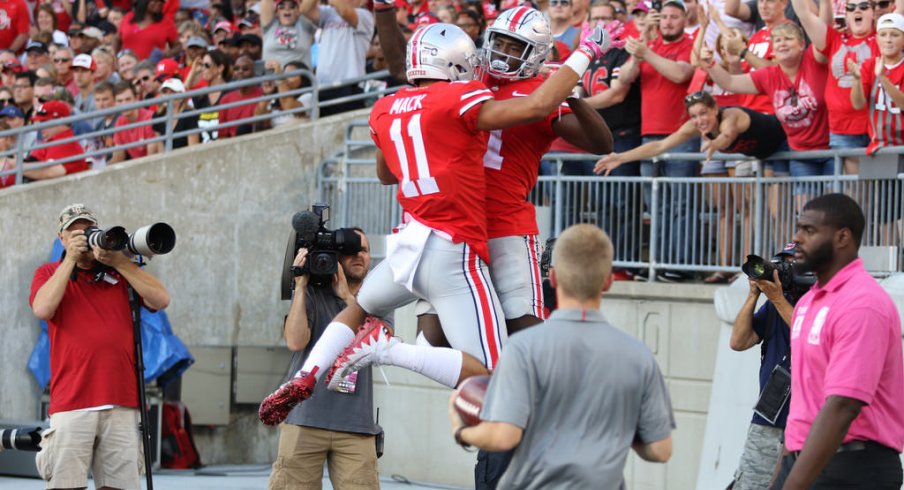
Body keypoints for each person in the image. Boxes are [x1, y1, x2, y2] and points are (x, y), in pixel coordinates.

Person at [258, 21, 620, 426]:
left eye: (513, 45)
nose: (500, 52)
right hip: (459, 240)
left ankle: (310, 371)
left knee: (383, 315)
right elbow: (531, 106)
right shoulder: (466, 90)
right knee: (470, 357)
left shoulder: (395, 104)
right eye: (497, 41)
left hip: (437, 235)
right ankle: (504, 419)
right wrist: (584, 53)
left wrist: (568, 93)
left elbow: (596, 139)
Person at [447, 224, 675, 489]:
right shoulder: (638, 356)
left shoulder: (522, 348)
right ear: (608, 281)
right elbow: (660, 450)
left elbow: (503, 437)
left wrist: (461, 430)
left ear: (553, 279)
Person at [30, 203, 170, 490]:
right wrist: (68, 260)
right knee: (65, 485)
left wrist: (120, 262)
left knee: (119, 485)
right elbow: (42, 308)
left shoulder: (120, 273)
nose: (82, 237)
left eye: (88, 230)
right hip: (72, 401)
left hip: (122, 400)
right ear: (62, 238)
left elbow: (160, 299)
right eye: (74, 232)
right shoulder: (49, 272)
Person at [770, 193, 904, 489]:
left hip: (854, 468)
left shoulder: (862, 303)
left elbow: (844, 405)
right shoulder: (808, 302)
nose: (797, 239)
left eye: (809, 230)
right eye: (798, 228)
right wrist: (781, 475)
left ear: (843, 237)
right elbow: (805, 404)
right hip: (806, 461)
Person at [267, 229, 385, 490]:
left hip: (356, 425)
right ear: (336, 257)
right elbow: (295, 342)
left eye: (364, 250)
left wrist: (346, 297)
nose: (358, 256)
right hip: (304, 418)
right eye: (350, 251)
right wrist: (300, 286)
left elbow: (380, 344)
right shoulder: (312, 294)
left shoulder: (377, 299)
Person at [618, 0, 698, 282]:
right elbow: (625, 79)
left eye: (674, 17)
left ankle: (680, 264)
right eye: (663, 17)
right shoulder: (648, 46)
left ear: (685, 20)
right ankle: (659, 263)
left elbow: (680, 73)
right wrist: (642, 45)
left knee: (681, 203)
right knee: (656, 206)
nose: (667, 22)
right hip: (649, 133)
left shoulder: (690, 43)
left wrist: (646, 53)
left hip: (681, 135)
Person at [705, 22, 833, 183]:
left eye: (788, 38)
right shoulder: (768, 75)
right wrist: (710, 63)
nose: (783, 43)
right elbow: (729, 82)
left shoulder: (813, 60)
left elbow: (822, 27)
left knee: (834, 204)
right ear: (772, 50)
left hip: (831, 149)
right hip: (800, 154)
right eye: (778, 40)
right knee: (806, 207)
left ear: (802, 45)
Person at [729, 243, 802, 490]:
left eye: (789, 263)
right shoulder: (774, 303)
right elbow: (739, 341)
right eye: (779, 263)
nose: (781, 270)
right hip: (768, 418)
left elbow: (807, 336)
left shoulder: (817, 301)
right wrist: (754, 295)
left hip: (807, 423)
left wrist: (778, 298)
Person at [793, 0, 876, 174]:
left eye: (863, 6)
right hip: (843, 128)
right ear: (845, 16)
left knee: (884, 189)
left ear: (873, 13)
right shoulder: (834, 38)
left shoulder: (884, 37)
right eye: (851, 8)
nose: (856, 11)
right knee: (856, 193)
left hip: (877, 126)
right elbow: (804, 15)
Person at [302, 0, 374, 116]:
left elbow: (345, 11)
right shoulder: (330, 12)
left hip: (350, 86)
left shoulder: (365, 16)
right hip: (324, 86)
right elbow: (305, 9)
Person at [849, 12, 904, 154]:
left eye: (895, 35)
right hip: (879, 148)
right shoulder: (869, 64)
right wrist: (857, 80)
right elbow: (858, 104)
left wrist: (883, 78)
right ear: (877, 39)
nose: (888, 40)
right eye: (883, 34)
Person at [23, 100, 90, 180]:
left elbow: (51, 172)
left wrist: (17, 167)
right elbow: (31, 160)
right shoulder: (49, 140)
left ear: (60, 121)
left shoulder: (66, 142)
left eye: (44, 121)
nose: (40, 127)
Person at [109, 82, 160, 163]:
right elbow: (118, 158)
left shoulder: (149, 119)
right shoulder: (120, 121)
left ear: (136, 99)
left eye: (128, 99)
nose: (124, 104)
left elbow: (152, 158)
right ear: (115, 103)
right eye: (120, 101)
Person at [261, 0, 317, 69]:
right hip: (271, 77)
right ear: (277, 12)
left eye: (292, 7)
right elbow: (266, 2)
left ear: (298, 11)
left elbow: (309, 4)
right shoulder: (269, 26)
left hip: (300, 77)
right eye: (282, 7)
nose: (287, 9)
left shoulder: (304, 26)